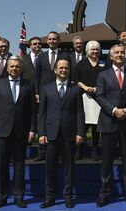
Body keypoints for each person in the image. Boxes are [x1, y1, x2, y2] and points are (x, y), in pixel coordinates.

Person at [94, 44, 126, 208]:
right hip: (108, 122)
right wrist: (114, 111)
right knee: (106, 161)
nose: (120, 54)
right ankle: (104, 194)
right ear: (111, 56)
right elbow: (99, 97)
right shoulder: (103, 75)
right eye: (117, 52)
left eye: (123, 52)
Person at [0, 56, 36, 209]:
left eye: (17, 66)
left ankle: (19, 196)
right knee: (2, 165)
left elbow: (33, 111)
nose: (14, 69)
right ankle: (1, 197)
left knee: (19, 165)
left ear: (21, 68)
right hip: (2, 130)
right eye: (12, 66)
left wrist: (32, 129)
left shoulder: (29, 85)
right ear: (7, 68)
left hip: (21, 131)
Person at [39, 59, 85, 208]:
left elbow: (80, 113)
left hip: (69, 134)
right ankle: (49, 197)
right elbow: (42, 113)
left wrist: (80, 132)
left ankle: (68, 196)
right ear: (55, 70)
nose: (64, 70)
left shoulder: (75, 89)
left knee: (69, 168)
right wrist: (41, 133)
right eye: (61, 68)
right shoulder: (46, 88)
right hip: (51, 134)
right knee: (50, 168)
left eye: (66, 68)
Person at [72, 40, 106, 161]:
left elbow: (107, 78)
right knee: (83, 125)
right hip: (84, 97)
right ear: (88, 51)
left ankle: (95, 150)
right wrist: (86, 87)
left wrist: (98, 88)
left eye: (97, 49)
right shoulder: (81, 63)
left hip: (99, 97)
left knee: (96, 126)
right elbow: (76, 79)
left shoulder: (103, 63)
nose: (95, 52)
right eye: (92, 49)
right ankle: (79, 149)